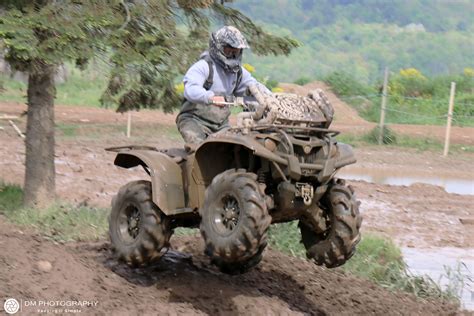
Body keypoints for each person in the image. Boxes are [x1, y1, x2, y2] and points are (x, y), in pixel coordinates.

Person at [176, 25, 270, 145]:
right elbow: (190, 90)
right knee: (200, 150)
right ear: (218, 47)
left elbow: (255, 87)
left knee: (231, 151)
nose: (232, 54)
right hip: (194, 121)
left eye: (236, 51)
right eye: (228, 50)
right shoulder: (204, 66)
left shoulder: (239, 73)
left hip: (221, 125)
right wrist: (211, 97)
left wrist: (271, 99)